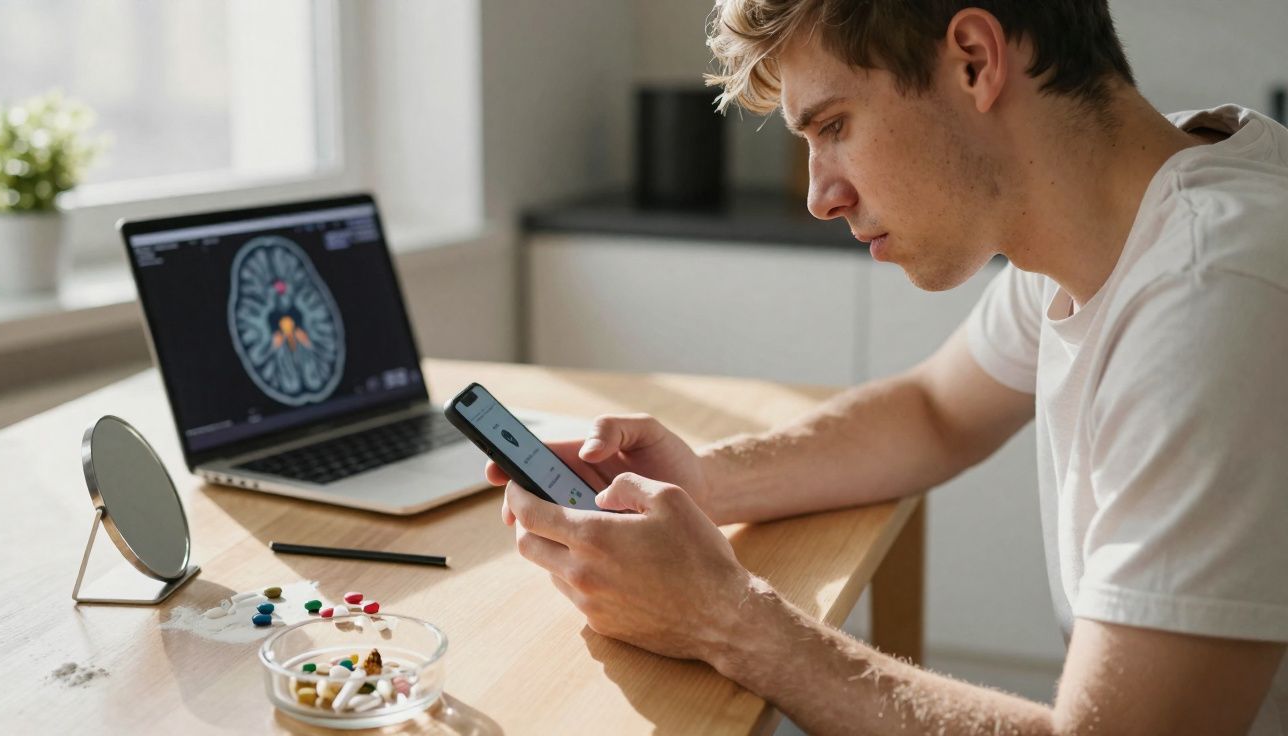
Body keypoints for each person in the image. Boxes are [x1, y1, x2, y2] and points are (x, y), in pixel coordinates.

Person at [486, 1, 1288, 733]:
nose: (819, 195)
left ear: (974, 60)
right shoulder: (1127, 200)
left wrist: (724, 619)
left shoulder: (1214, 293)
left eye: (833, 125)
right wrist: (706, 481)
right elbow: (935, 410)